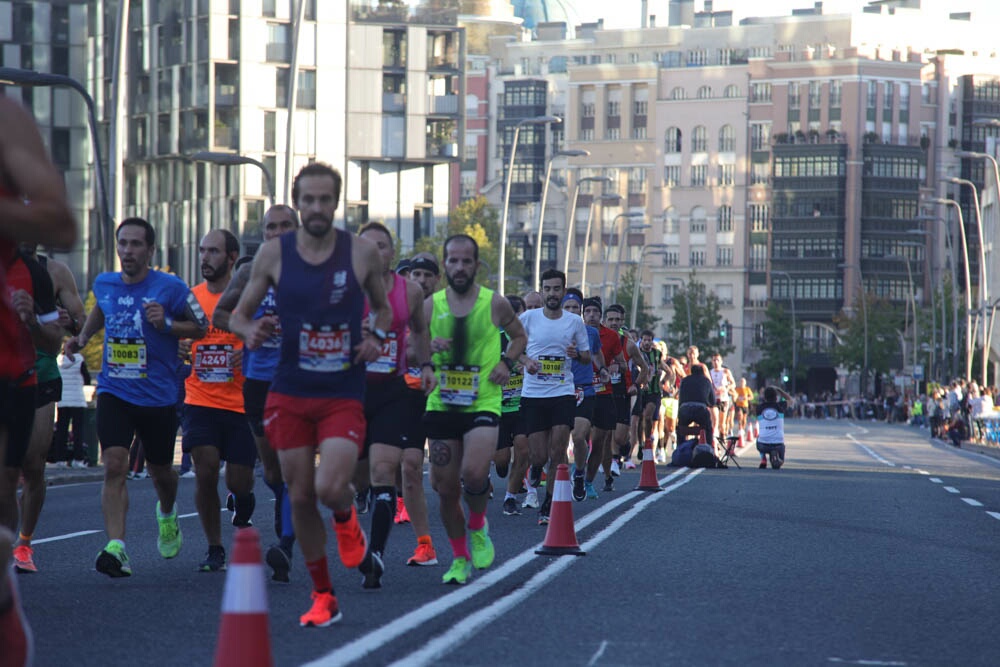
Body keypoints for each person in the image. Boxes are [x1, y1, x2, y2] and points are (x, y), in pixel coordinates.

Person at [228, 162, 391, 627]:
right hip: (290, 391)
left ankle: (347, 524)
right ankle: (323, 595)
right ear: (297, 203)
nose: (316, 208)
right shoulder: (274, 255)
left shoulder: (360, 253)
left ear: (336, 203)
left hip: (342, 390)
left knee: (329, 486)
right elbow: (237, 314)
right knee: (299, 495)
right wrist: (250, 327)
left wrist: (376, 338)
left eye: (325, 200)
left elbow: (381, 310)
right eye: (308, 200)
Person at [65, 217, 209, 577]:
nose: (127, 251)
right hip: (115, 389)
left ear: (150, 250)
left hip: (158, 395)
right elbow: (102, 308)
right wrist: (82, 339)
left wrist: (169, 325)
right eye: (122, 243)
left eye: (135, 244)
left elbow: (202, 325)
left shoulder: (172, 287)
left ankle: (167, 512)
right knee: (115, 464)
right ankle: (117, 547)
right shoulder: (105, 282)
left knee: (162, 473)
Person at [423, 234, 526, 584]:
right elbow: (411, 349)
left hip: (483, 400)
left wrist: (507, 364)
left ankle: (478, 526)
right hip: (442, 403)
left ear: (477, 265)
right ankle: (459, 556)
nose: (460, 267)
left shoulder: (494, 304)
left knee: (474, 473)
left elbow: (520, 337)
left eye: (467, 261)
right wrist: (425, 352)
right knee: (445, 487)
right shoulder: (430, 305)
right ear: (445, 264)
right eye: (453, 260)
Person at [213, 204, 298, 582]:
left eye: (285, 227)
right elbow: (220, 315)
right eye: (269, 228)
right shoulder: (250, 272)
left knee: (294, 467)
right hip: (259, 382)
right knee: (273, 469)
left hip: (302, 381)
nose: (277, 234)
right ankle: (283, 504)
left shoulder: (317, 274)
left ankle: (286, 544)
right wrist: (247, 329)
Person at [354, 222, 435, 589]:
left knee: (387, 469)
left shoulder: (411, 291)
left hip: (391, 390)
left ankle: (377, 554)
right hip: (348, 392)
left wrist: (427, 364)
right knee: (355, 480)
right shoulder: (342, 290)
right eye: (367, 246)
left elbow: (419, 331)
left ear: (391, 253)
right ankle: (358, 511)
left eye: (382, 246)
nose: (375, 253)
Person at [183, 229, 259, 573]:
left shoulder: (247, 298)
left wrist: (252, 354)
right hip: (200, 398)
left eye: (213, 251)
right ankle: (215, 547)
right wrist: (178, 344)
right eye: (202, 251)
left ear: (231, 258)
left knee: (238, 480)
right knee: (206, 468)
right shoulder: (191, 298)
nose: (204, 258)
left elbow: (269, 335)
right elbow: (173, 333)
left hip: (242, 402)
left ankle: (243, 501)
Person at [518, 269, 590, 524]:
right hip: (533, 395)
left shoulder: (574, 322)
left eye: (556, 289)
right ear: (542, 289)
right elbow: (512, 348)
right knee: (538, 454)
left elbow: (586, 355)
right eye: (547, 289)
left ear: (563, 290)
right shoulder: (528, 318)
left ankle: (548, 506)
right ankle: (536, 467)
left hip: (562, 392)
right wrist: (526, 360)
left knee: (558, 449)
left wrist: (575, 354)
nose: (551, 294)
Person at [3, 247, 62, 551]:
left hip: (27, 381)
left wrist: (33, 322)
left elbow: (54, 343)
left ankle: (20, 546)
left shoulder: (37, 272)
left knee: (26, 468)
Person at [397, 252, 442, 565]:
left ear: (436, 280)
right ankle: (424, 545)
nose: (422, 280)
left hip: (446, 397)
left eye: (428, 275)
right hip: (407, 395)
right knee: (410, 466)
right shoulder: (395, 311)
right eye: (416, 274)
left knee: (442, 480)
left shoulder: (451, 310)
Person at [561, 291, 608, 501]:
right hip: (558, 389)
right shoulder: (551, 331)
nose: (571, 311)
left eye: (575, 308)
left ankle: (579, 473)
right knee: (558, 442)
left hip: (584, 390)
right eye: (567, 307)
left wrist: (603, 369)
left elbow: (597, 353)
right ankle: (560, 480)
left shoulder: (590, 332)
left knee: (579, 437)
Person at [602, 304, 649, 473]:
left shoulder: (628, 344)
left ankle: (625, 445)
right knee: (605, 433)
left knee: (620, 436)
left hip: (624, 392)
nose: (614, 323)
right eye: (610, 319)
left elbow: (645, 368)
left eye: (617, 320)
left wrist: (636, 385)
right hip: (603, 392)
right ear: (605, 321)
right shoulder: (598, 340)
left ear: (622, 321)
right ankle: (613, 462)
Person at [498, 294, 530, 515]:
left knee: (523, 450)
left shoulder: (531, 340)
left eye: (517, 314)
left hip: (522, 405)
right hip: (497, 407)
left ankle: (510, 497)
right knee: (501, 462)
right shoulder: (494, 338)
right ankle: (501, 473)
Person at [49, 352, 91, 467]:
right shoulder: (79, 360)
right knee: (78, 431)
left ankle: (59, 459)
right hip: (77, 399)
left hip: (63, 400)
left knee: (61, 431)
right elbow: (87, 379)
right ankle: (78, 459)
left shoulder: (58, 360)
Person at [675, 364, 716, 447]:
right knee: (708, 428)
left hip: (685, 409)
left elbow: (681, 398)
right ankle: (708, 447)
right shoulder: (706, 381)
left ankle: (680, 447)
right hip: (700, 410)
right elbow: (712, 401)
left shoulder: (685, 380)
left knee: (681, 428)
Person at [756, 386, 790, 469]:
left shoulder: (759, 408)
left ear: (765, 397)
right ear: (776, 397)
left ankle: (763, 458)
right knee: (780, 461)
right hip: (778, 442)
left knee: (758, 438)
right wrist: (779, 390)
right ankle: (778, 457)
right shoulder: (781, 406)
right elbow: (790, 400)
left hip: (763, 444)